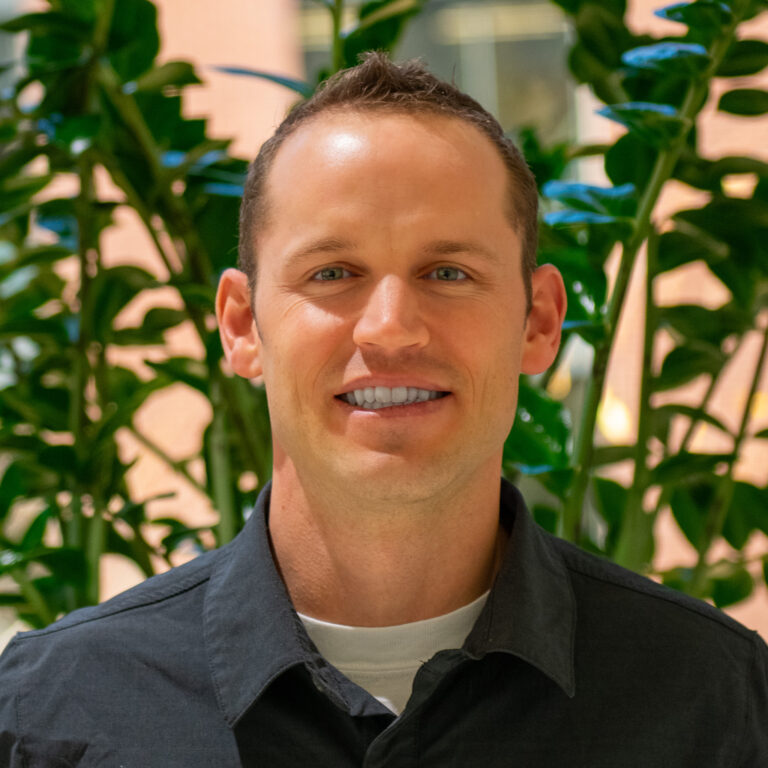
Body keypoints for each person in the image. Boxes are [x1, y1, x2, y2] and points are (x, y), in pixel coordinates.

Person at [0, 52, 766, 767]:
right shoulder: (47, 715)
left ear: (537, 321)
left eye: (448, 271)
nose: (391, 328)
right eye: (333, 271)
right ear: (241, 326)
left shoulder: (719, 702)